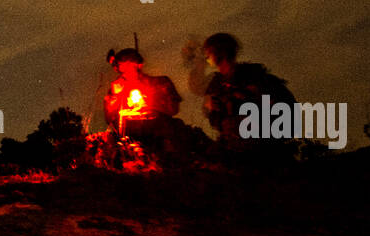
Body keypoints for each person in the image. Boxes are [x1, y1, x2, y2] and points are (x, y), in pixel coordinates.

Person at [193, 33, 298, 163]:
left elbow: (281, 109)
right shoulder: (218, 84)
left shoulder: (253, 77)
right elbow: (217, 119)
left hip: (264, 152)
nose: (207, 56)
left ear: (221, 52)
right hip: (234, 151)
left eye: (209, 52)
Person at [103, 48, 182, 152]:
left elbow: (173, 108)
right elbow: (109, 119)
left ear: (139, 65)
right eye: (121, 68)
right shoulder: (117, 90)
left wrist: (150, 105)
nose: (125, 72)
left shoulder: (159, 83)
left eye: (128, 66)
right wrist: (114, 96)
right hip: (129, 142)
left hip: (158, 139)